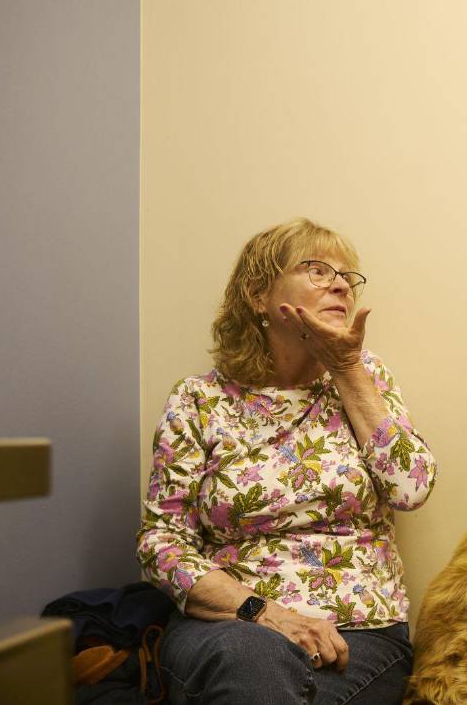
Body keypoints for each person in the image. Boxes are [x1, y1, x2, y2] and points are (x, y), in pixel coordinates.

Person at [136, 218, 438, 704]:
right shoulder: (200, 399)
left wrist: (346, 369)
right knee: (253, 660)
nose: (341, 283)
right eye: (317, 269)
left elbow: (411, 489)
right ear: (258, 294)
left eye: (348, 276)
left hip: (357, 632)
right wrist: (260, 611)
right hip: (231, 625)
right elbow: (161, 543)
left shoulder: (366, 377)